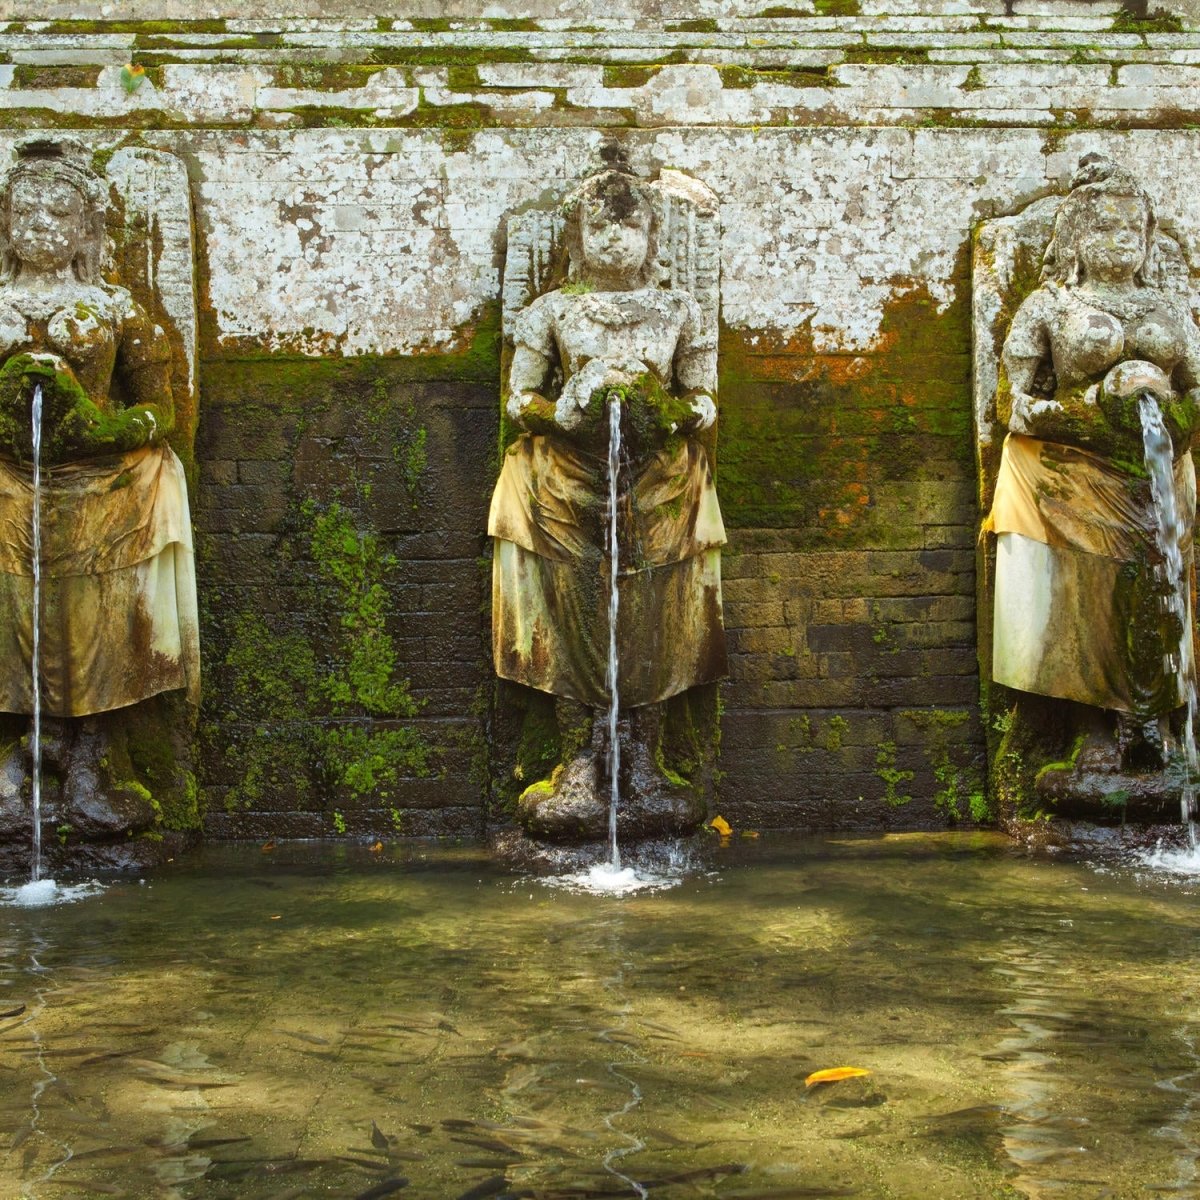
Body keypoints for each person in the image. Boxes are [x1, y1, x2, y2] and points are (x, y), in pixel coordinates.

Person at [488, 159, 726, 836]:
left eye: (630, 226)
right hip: (565, 486)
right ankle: (577, 760)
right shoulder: (554, 311)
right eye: (600, 227)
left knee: (652, 616)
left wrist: (665, 410)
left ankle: (643, 758)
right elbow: (518, 399)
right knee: (573, 618)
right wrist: (562, 412)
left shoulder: (679, 310)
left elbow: (703, 400)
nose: (615, 240)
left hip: (658, 485)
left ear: (654, 236)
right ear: (578, 235)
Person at [0, 136, 199, 809]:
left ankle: (93, 753)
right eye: (25, 215)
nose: (40, 230)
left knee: (97, 618)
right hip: (7, 487)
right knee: (12, 616)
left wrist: (98, 426)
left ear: (86, 228)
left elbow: (160, 408)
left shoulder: (116, 311)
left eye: (58, 217)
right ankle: (25, 745)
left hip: (96, 486)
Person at [988, 153, 1200, 769]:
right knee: (1091, 589)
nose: (1123, 242)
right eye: (1107, 229)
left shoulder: (1166, 306)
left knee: (1163, 583)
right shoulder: (1050, 305)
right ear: (1078, 237)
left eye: (1133, 230)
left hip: (1158, 478)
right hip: (1076, 477)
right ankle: (1092, 723)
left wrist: (1181, 419)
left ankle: (1159, 720)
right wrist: (1086, 414)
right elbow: (1011, 404)